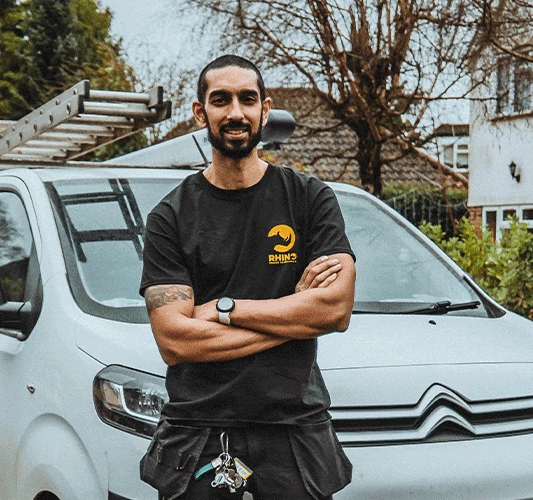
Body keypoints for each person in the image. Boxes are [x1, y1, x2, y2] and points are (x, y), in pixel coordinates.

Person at [137, 54, 357, 500]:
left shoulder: (310, 199)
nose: (235, 112)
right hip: (200, 431)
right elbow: (175, 341)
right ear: (201, 112)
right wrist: (293, 320)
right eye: (221, 100)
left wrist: (225, 310)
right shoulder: (170, 217)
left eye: (247, 99)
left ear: (264, 109)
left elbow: (334, 309)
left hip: (293, 428)